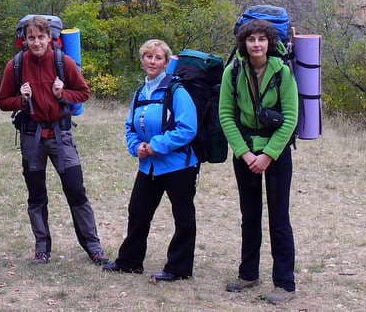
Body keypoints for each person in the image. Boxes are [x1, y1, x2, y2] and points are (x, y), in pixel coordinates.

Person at [0, 15, 107, 265]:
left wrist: (61, 93)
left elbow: (83, 93)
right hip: (31, 137)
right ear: (24, 40)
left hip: (61, 135)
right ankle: (42, 248)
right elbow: (2, 101)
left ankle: (93, 246)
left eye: (40, 37)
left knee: (76, 190)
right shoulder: (15, 65)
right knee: (36, 195)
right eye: (31, 38)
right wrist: (22, 100)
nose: (36, 42)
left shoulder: (63, 62)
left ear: (49, 38)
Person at [103, 39, 198, 283]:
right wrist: (136, 147)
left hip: (179, 165)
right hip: (149, 166)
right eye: (148, 56)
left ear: (166, 63)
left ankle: (179, 268)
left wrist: (156, 145)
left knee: (183, 218)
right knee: (138, 212)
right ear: (142, 59)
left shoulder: (177, 91)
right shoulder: (140, 92)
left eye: (158, 58)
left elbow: (188, 128)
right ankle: (129, 262)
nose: (152, 61)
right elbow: (130, 126)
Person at [218, 19, 299, 304]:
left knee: (279, 218)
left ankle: (285, 284)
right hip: (246, 152)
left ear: (270, 43)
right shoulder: (233, 71)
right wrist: (245, 153)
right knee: (249, 215)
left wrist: (268, 155)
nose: (256, 44)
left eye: (261, 39)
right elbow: (226, 115)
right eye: (251, 39)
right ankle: (248, 274)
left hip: (276, 153)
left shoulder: (282, 71)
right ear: (243, 43)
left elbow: (290, 117)